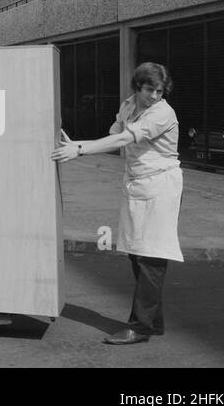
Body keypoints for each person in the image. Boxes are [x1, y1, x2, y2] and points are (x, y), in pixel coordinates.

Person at [51, 61, 183, 345]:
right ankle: (153, 320)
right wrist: (78, 143)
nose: (155, 96)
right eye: (150, 90)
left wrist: (80, 149)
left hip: (160, 185)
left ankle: (140, 327)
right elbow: (115, 135)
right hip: (137, 184)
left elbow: (125, 137)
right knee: (137, 252)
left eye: (160, 91)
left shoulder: (162, 113)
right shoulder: (129, 105)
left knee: (152, 256)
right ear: (138, 87)